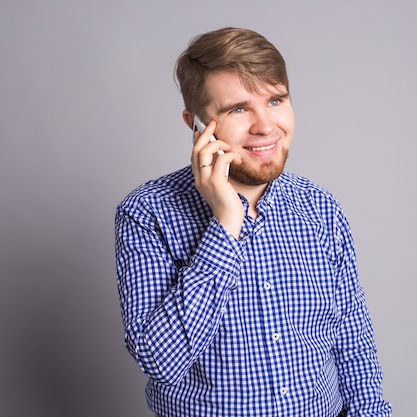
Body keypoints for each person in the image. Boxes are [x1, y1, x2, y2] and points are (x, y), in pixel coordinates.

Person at [115, 27, 392, 417]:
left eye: (276, 100)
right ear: (195, 124)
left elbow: (353, 340)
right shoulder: (146, 214)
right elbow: (163, 361)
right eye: (238, 109)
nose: (265, 126)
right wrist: (226, 224)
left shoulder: (320, 209)